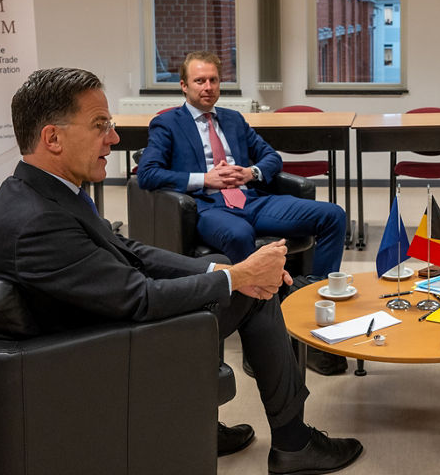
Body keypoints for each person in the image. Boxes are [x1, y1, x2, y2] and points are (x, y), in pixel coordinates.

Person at [0, 68, 362, 475]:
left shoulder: (41, 193)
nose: (114, 139)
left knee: (242, 279)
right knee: (253, 293)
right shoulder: (38, 222)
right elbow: (140, 298)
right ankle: (294, 444)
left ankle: (202, 429)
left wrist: (221, 269)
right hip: (95, 359)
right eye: (100, 125)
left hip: (91, 331)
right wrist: (238, 278)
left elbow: (127, 251)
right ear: (53, 138)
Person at [136, 51, 350, 375]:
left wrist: (252, 173)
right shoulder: (167, 124)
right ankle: (265, 331)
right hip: (207, 206)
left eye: (213, 80)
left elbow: (271, 157)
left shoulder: (233, 119)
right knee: (239, 235)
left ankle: (307, 303)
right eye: (199, 81)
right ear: (183, 86)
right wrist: (203, 178)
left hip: (251, 199)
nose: (207, 87)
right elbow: (147, 173)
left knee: (332, 215)